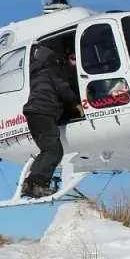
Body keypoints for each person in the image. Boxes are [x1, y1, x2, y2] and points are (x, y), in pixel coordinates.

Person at [22, 43, 81, 198]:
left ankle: (29, 184)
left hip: (32, 112)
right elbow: (63, 88)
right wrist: (76, 103)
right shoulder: (54, 70)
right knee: (55, 151)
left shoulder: (38, 72)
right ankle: (39, 185)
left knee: (46, 150)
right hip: (43, 112)